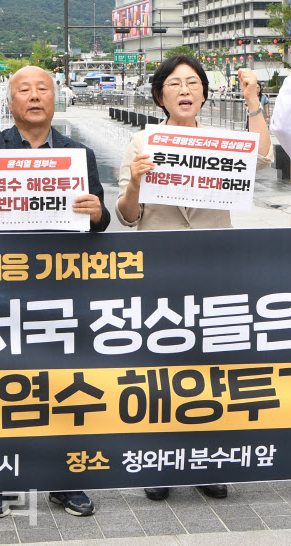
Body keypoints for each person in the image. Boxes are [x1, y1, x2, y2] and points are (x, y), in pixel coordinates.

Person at [0, 57, 109, 519]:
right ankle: (1, 480)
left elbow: (99, 221)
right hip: (2, 285)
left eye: (43, 88)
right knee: (4, 385)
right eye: (24, 89)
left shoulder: (78, 154)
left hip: (60, 287)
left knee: (63, 385)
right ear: (10, 101)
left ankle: (64, 480)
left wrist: (97, 213)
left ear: (56, 97)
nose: (34, 95)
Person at [116, 55, 272, 501]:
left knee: (210, 367)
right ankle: (159, 462)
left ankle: (206, 460)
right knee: (158, 368)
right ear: (159, 95)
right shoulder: (142, 141)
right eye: (174, 83)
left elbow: (262, 158)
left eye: (192, 83)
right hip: (158, 269)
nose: (184, 90)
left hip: (213, 267)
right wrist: (134, 183)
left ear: (204, 92)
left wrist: (253, 101)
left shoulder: (221, 142)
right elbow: (127, 216)